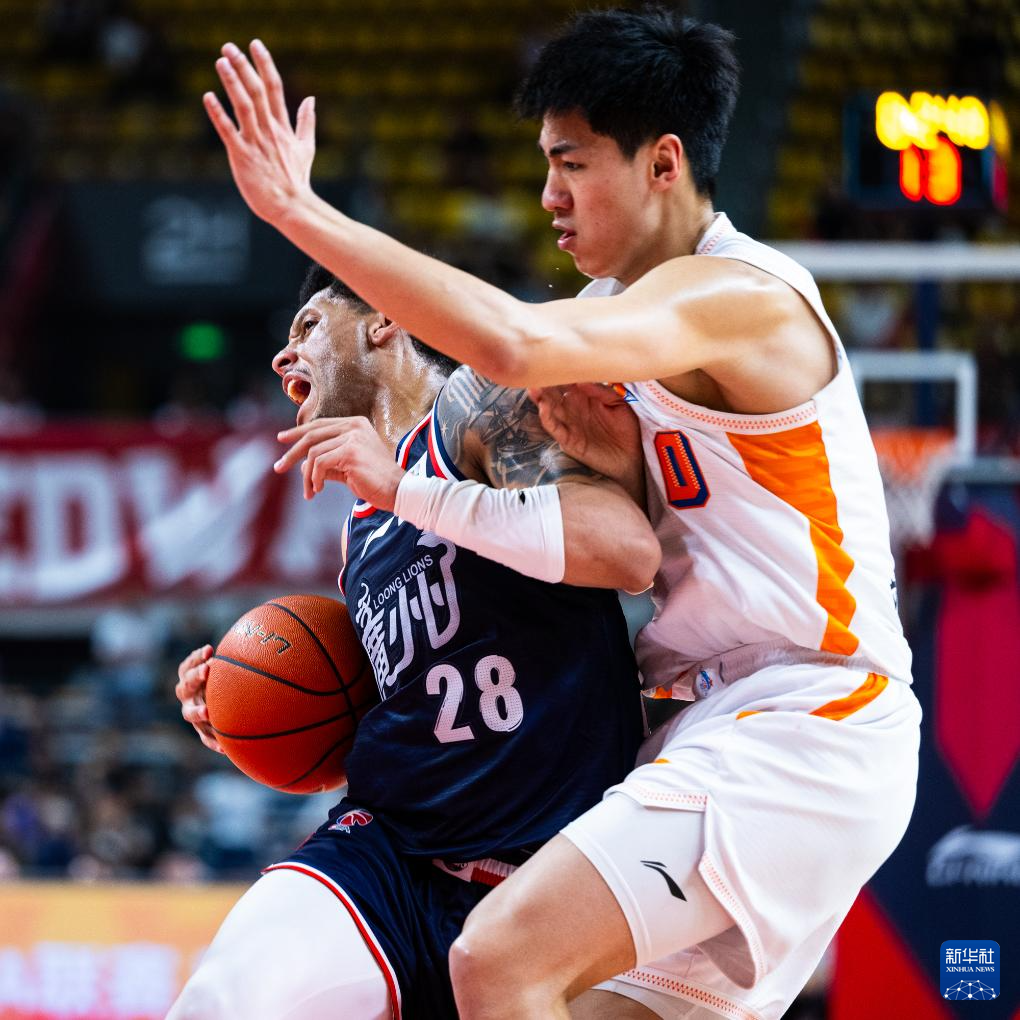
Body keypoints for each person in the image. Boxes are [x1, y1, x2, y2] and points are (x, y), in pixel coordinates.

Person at [201, 8, 922, 1020]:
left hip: (807, 717)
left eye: (571, 164)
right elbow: (578, 472)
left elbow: (511, 345)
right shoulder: (613, 322)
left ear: (662, 163)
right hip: (697, 725)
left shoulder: (741, 295)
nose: (549, 197)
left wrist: (298, 213)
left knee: (497, 962)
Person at [169, 265, 655, 1019]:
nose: (283, 354)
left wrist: (404, 489)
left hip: (539, 893)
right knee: (225, 998)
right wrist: (244, 711)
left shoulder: (477, 407)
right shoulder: (360, 536)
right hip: (391, 854)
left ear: (384, 320)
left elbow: (625, 552)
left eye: (308, 326)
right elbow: (414, 710)